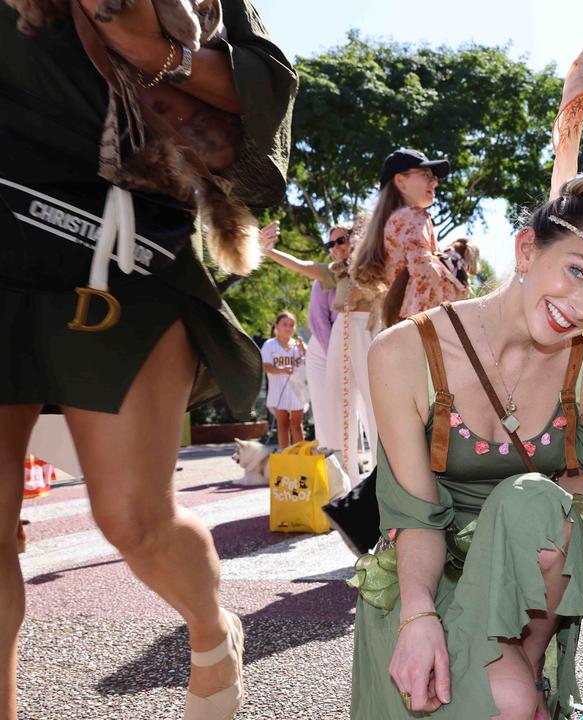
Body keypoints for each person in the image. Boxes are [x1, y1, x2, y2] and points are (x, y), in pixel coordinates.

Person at [0, 1, 295, 718]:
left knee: (133, 519)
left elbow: (263, 115)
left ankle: (210, 630)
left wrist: (153, 50)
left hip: (122, 250)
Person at [350, 172, 583, 719]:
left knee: (535, 501)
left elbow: (574, 483)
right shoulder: (404, 352)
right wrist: (418, 617)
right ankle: (516, 685)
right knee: (502, 700)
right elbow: (414, 515)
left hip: (528, 586)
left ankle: (525, 670)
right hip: (427, 566)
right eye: (575, 271)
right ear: (525, 249)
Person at [260, 221, 379, 479]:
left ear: (356, 238)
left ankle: (385, 479)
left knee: (377, 405)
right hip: (338, 339)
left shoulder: (376, 264)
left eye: (341, 240)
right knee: (340, 411)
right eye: (330, 244)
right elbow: (302, 267)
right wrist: (269, 251)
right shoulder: (332, 272)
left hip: (370, 333)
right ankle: (345, 482)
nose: (335, 248)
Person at [351, 148, 469, 327]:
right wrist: (456, 267)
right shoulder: (413, 215)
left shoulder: (393, 221)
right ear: (401, 181)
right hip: (424, 326)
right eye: (426, 175)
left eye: (434, 177)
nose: (434, 183)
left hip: (402, 326)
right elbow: (424, 273)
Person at [261, 311, 308, 449]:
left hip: (296, 391)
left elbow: (309, 364)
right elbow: (266, 366)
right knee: (283, 425)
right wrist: (282, 370)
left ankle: (301, 456)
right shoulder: (270, 344)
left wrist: (304, 350)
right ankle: (285, 455)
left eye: (291, 325)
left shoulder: (298, 345)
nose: (288, 328)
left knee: (297, 425)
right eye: (285, 324)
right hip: (278, 389)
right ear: (276, 326)